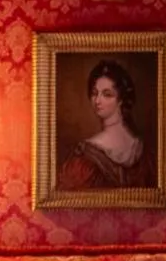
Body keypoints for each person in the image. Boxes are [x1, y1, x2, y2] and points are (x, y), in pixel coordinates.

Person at [56, 60, 156, 191]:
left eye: (107, 94)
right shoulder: (87, 153)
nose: (97, 101)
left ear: (121, 100)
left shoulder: (144, 153)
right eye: (94, 93)